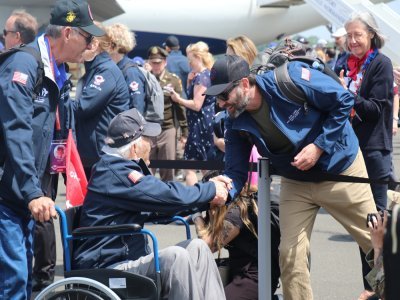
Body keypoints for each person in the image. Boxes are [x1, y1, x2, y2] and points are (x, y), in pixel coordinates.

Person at [204, 54, 377, 300]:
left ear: (244, 83)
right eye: (217, 98)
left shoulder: (290, 78)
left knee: (376, 243)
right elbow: (236, 171)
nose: (221, 104)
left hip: (340, 170)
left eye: (224, 95)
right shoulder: (234, 122)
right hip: (296, 181)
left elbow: (343, 99)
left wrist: (319, 146)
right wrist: (220, 192)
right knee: (290, 256)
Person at [0, 0, 104, 298]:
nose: (91, 45)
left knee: (23, 279)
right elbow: (16, 131)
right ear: (68, 33)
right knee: (13, 283)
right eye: (88, 37)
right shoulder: (24, 64)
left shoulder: (55, 71)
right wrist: (34, 192)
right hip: (8, 193)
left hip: (21, 192)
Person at [73, 108, 229, 300]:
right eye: (148, 139)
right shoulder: (117, 173)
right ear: (134, 148)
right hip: (107, 266)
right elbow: (166, 195)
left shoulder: (115, 169)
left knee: (198, 247)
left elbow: (160, 205)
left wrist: (206, 201)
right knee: (175, 258)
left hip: (125, 258)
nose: (153, 143)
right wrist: (210, 190)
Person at [340, 12, 394, 212]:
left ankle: (381, 245)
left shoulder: (381, 64)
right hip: (353, 147)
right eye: (349, 35)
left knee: (376, 215)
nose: (352, 41)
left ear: (371, 34)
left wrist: (346, 94)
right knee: (359, 214)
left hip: (374, 149)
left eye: (358, 35)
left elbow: (374, 110)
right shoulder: (350, 64)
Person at [73, 21, 130, 179]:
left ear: (94, 44)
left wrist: (56, 100)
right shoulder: (94, 70)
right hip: (93, 154)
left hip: (100, 156)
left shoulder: (105, 72)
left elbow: (82, 107)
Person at [170, 41, 216, 185]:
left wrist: (178, 99)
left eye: (191, 59)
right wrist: (190, 82)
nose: (189, 63)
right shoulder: (205, 74)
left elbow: (196, 105)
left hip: (199, 125)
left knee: (190, 167)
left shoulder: (202, 77)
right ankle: (214, 194)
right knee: (203, 165)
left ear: (198, 57)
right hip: (202, 123)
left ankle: (195, 200)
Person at [147, 46, 188, 181]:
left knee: (167, 169)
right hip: (148, 129)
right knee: (147, 167)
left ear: (165, 62)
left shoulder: (173, 80)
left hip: (167, 128)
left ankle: (167, 198)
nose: (156, 66)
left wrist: (184, 131)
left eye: (158, 63)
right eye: (153, 63)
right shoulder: (144, 78)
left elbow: (179, 107)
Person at [106, 23, 147, 115]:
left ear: (115, 45)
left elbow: (137, 108)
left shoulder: (130, 72)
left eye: (106, 43)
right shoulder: (116, 68)